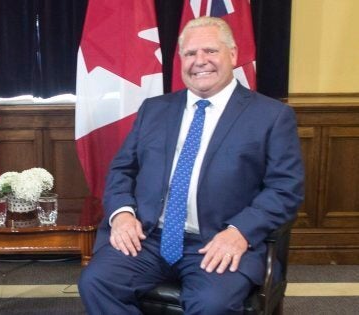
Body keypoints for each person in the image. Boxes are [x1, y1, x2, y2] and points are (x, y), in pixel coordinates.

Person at [78, 16, 304, 314]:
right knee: (96, 282)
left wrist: (240, 231)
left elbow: (285, 188)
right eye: (190, 53)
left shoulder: (271, 116)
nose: (200, 61)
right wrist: (121, 214)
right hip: (148, 237)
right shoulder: (155, 110)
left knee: (211, 304)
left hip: (218, 239)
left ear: (233, 55)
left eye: (210, 51)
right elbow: (122, 169)